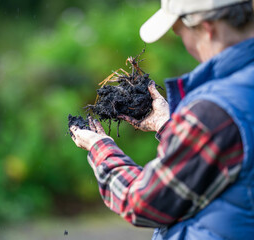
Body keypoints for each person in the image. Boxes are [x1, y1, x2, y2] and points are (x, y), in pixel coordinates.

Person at [69, 0, 254, 239]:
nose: (184, 42)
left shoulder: (215, 112)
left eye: (180, 32)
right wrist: (167, 124)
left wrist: (99, 147)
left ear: (208, 29)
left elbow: (142, 202)